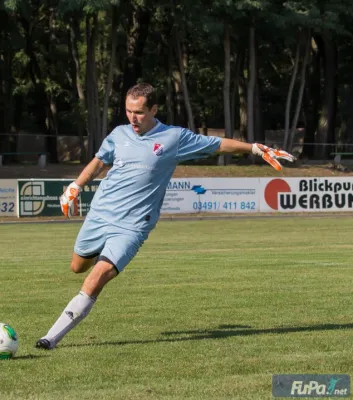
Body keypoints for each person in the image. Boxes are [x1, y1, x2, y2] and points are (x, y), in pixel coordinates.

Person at [35, 82, 295, 350]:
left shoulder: (173, 138)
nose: (133, 118)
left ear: (154, 109)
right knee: (78, 267)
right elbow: (99, 161)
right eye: (128, 111)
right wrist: (76, 186)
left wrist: (253, 148)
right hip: (100, 215)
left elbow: (217, 144)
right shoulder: (119, 134)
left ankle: (50, 338)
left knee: (98, 275)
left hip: (133, 226)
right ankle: (88, 271)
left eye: (139, 112)